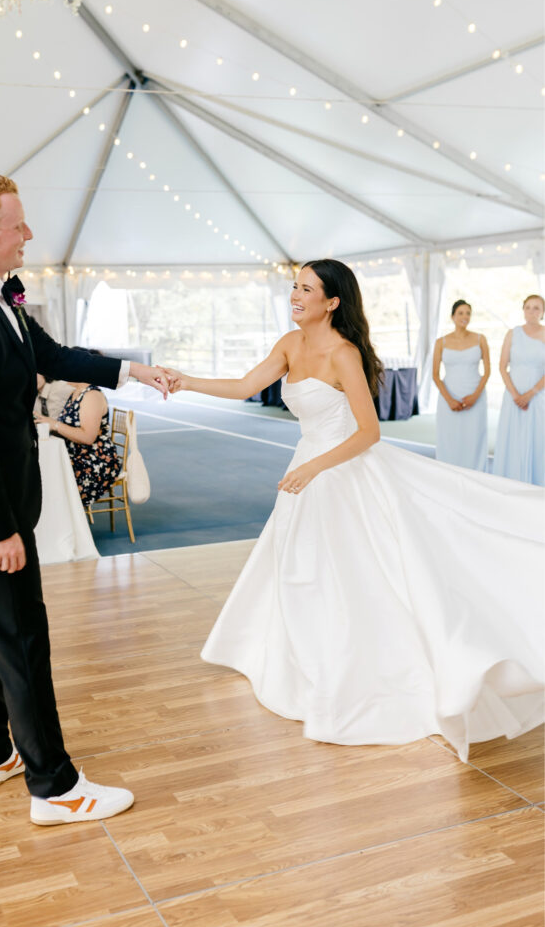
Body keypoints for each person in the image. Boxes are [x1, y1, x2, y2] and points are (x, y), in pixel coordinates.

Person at [166, 259, 544, 763]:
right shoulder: (289, 343)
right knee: (298, 568)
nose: (295, 295)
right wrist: (182, 380)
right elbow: (242, 386)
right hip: (307, 470)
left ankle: (358, 673)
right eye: (294, 287)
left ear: (332, 301)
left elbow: (369, 433)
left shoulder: (344, 354)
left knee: (350, 575)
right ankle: (300, 666)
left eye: (306, 289)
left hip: (341, 470)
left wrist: (316, 467)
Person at [0, 174, 169, 825]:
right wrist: (0, 528)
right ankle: (54, 787)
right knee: (22, 635)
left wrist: (129, 370)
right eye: (18, 224)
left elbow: (50, 353)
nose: (28, 234)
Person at [35, 381, 121, 507]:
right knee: (43, 468)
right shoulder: (75, 392)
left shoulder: (92, 395)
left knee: (51, 477)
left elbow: (88, 438)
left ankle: (61, 519)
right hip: (77, 455)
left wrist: (54, 424)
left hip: (94, 460)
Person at [493, 294, 545, 486]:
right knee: (513, 439)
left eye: (536, 308)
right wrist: (516, 395)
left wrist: (530, 394)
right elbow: (502, 366)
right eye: (528, 307)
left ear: (542, 312)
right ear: (523, 310)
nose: (531, 312)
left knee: (537, 439)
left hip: (538, 396)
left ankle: (537, 484)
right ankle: (511, 482)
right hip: (513, 396)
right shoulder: (512, 333)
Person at [432, 299, 489, 471]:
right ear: (453, 316)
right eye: (461, 313)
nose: (465, 317)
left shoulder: (480, 339)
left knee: (474, 437)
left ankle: (476, 475)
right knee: (450, 438)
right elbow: (435, 375)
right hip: (449, 396)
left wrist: (475, 396)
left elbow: (487, 372)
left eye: (468, 313)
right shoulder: (441, 342)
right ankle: (449, 476)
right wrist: (449, 399)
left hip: (475, 395)